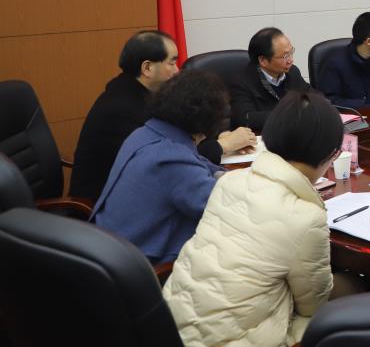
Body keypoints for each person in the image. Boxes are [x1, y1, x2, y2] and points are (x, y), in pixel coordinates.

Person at [163, 91, 343, 347]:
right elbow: (313, 304)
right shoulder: (306, 217)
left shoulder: (230, 181)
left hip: (173, 326)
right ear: (330, 154)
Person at [69, 31, 255, 202]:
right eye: (172, 63)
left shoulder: (138, 92)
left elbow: (178, 139)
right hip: (107, 204)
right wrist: (223, 146)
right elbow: (171, 159)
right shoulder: (122, 109)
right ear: (147, 68)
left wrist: (217, 136)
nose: (177, 71)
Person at [91, 70, 227, 264]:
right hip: (141, 265)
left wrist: (222, 174)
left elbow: (197, 161)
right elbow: (221, 206)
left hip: (107, 248)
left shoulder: (144, 133)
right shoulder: (173, 159)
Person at [230, 27, 311, 130]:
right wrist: (290, 115)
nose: (290, 60)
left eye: (291, 53)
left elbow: (313, 96)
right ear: (263, 60)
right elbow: (245, 119)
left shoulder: (292, 72)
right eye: (285, 56)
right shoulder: (240, 82)